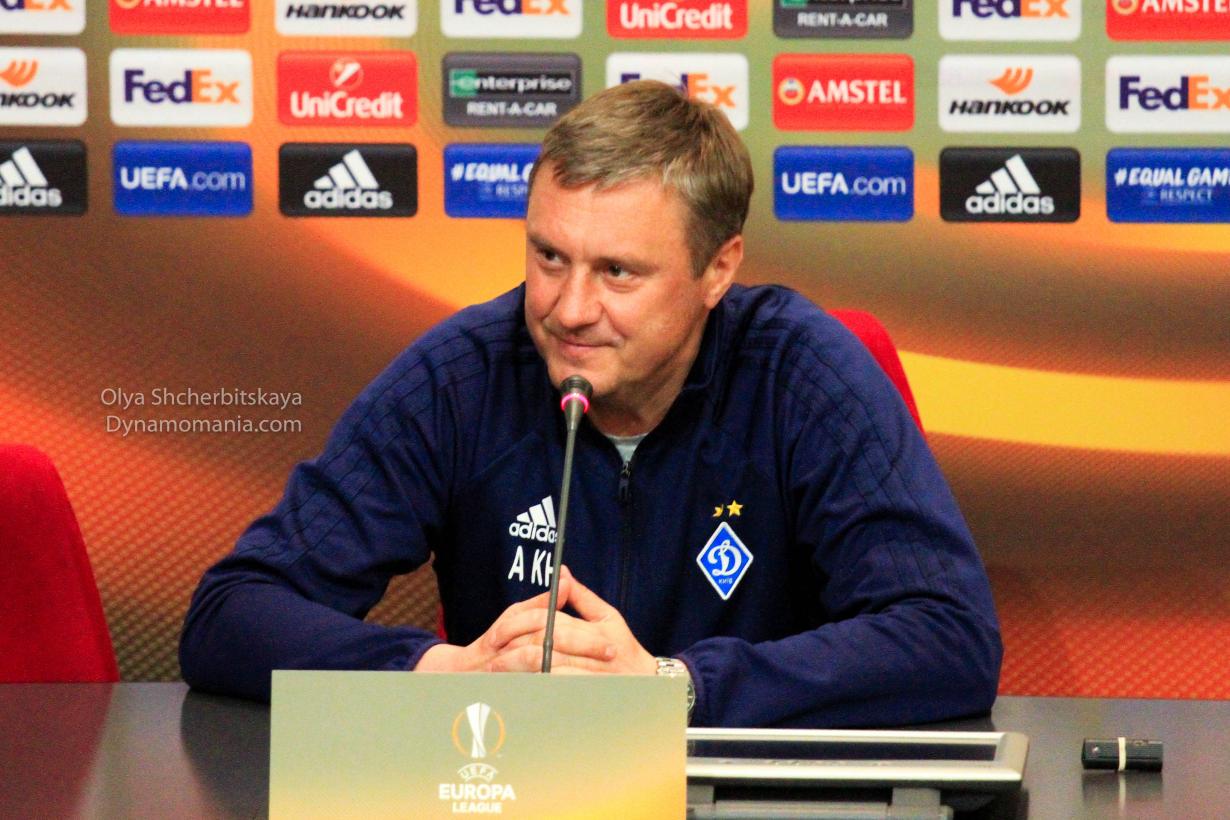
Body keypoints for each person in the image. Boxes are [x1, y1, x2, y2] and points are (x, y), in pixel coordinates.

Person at [180, 80, 1001, 727]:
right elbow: (231, 614)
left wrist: (675, 687)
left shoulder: (801, 374)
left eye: (617, 272)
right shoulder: (464, 376)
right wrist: (439, 672)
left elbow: (948, 634)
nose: (568, 310)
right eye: (549, 257)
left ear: (718, 269)